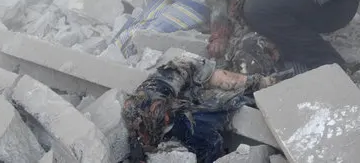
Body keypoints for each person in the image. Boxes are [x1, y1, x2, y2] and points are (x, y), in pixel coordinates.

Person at [122, 51, 286, 162]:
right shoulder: (167, 84)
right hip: (181, 118)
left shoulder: (201, 77)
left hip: (194, 113)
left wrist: (261, 83)